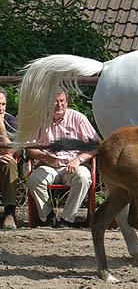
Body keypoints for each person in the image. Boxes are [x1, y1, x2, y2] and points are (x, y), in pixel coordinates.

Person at [26, 87, 99, 228]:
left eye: (62, 101)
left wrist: (78, 160)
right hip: (48, 165)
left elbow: (95, 146)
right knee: (34, 180)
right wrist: (45, 157)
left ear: (67, 102)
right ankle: (48, 217)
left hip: (73, 165)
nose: (59, 105)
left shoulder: (78, 118)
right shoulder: (40, 120)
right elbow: (29, 149)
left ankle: (67, 219)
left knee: (83, 177)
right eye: (54, 102)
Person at [0, 87, 19, 230]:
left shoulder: (10, 121)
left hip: (3, 163)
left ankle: (9, 213)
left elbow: (9, 151)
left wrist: (1, 124)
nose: (1, 108)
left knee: (10, 163)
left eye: (3, 104)